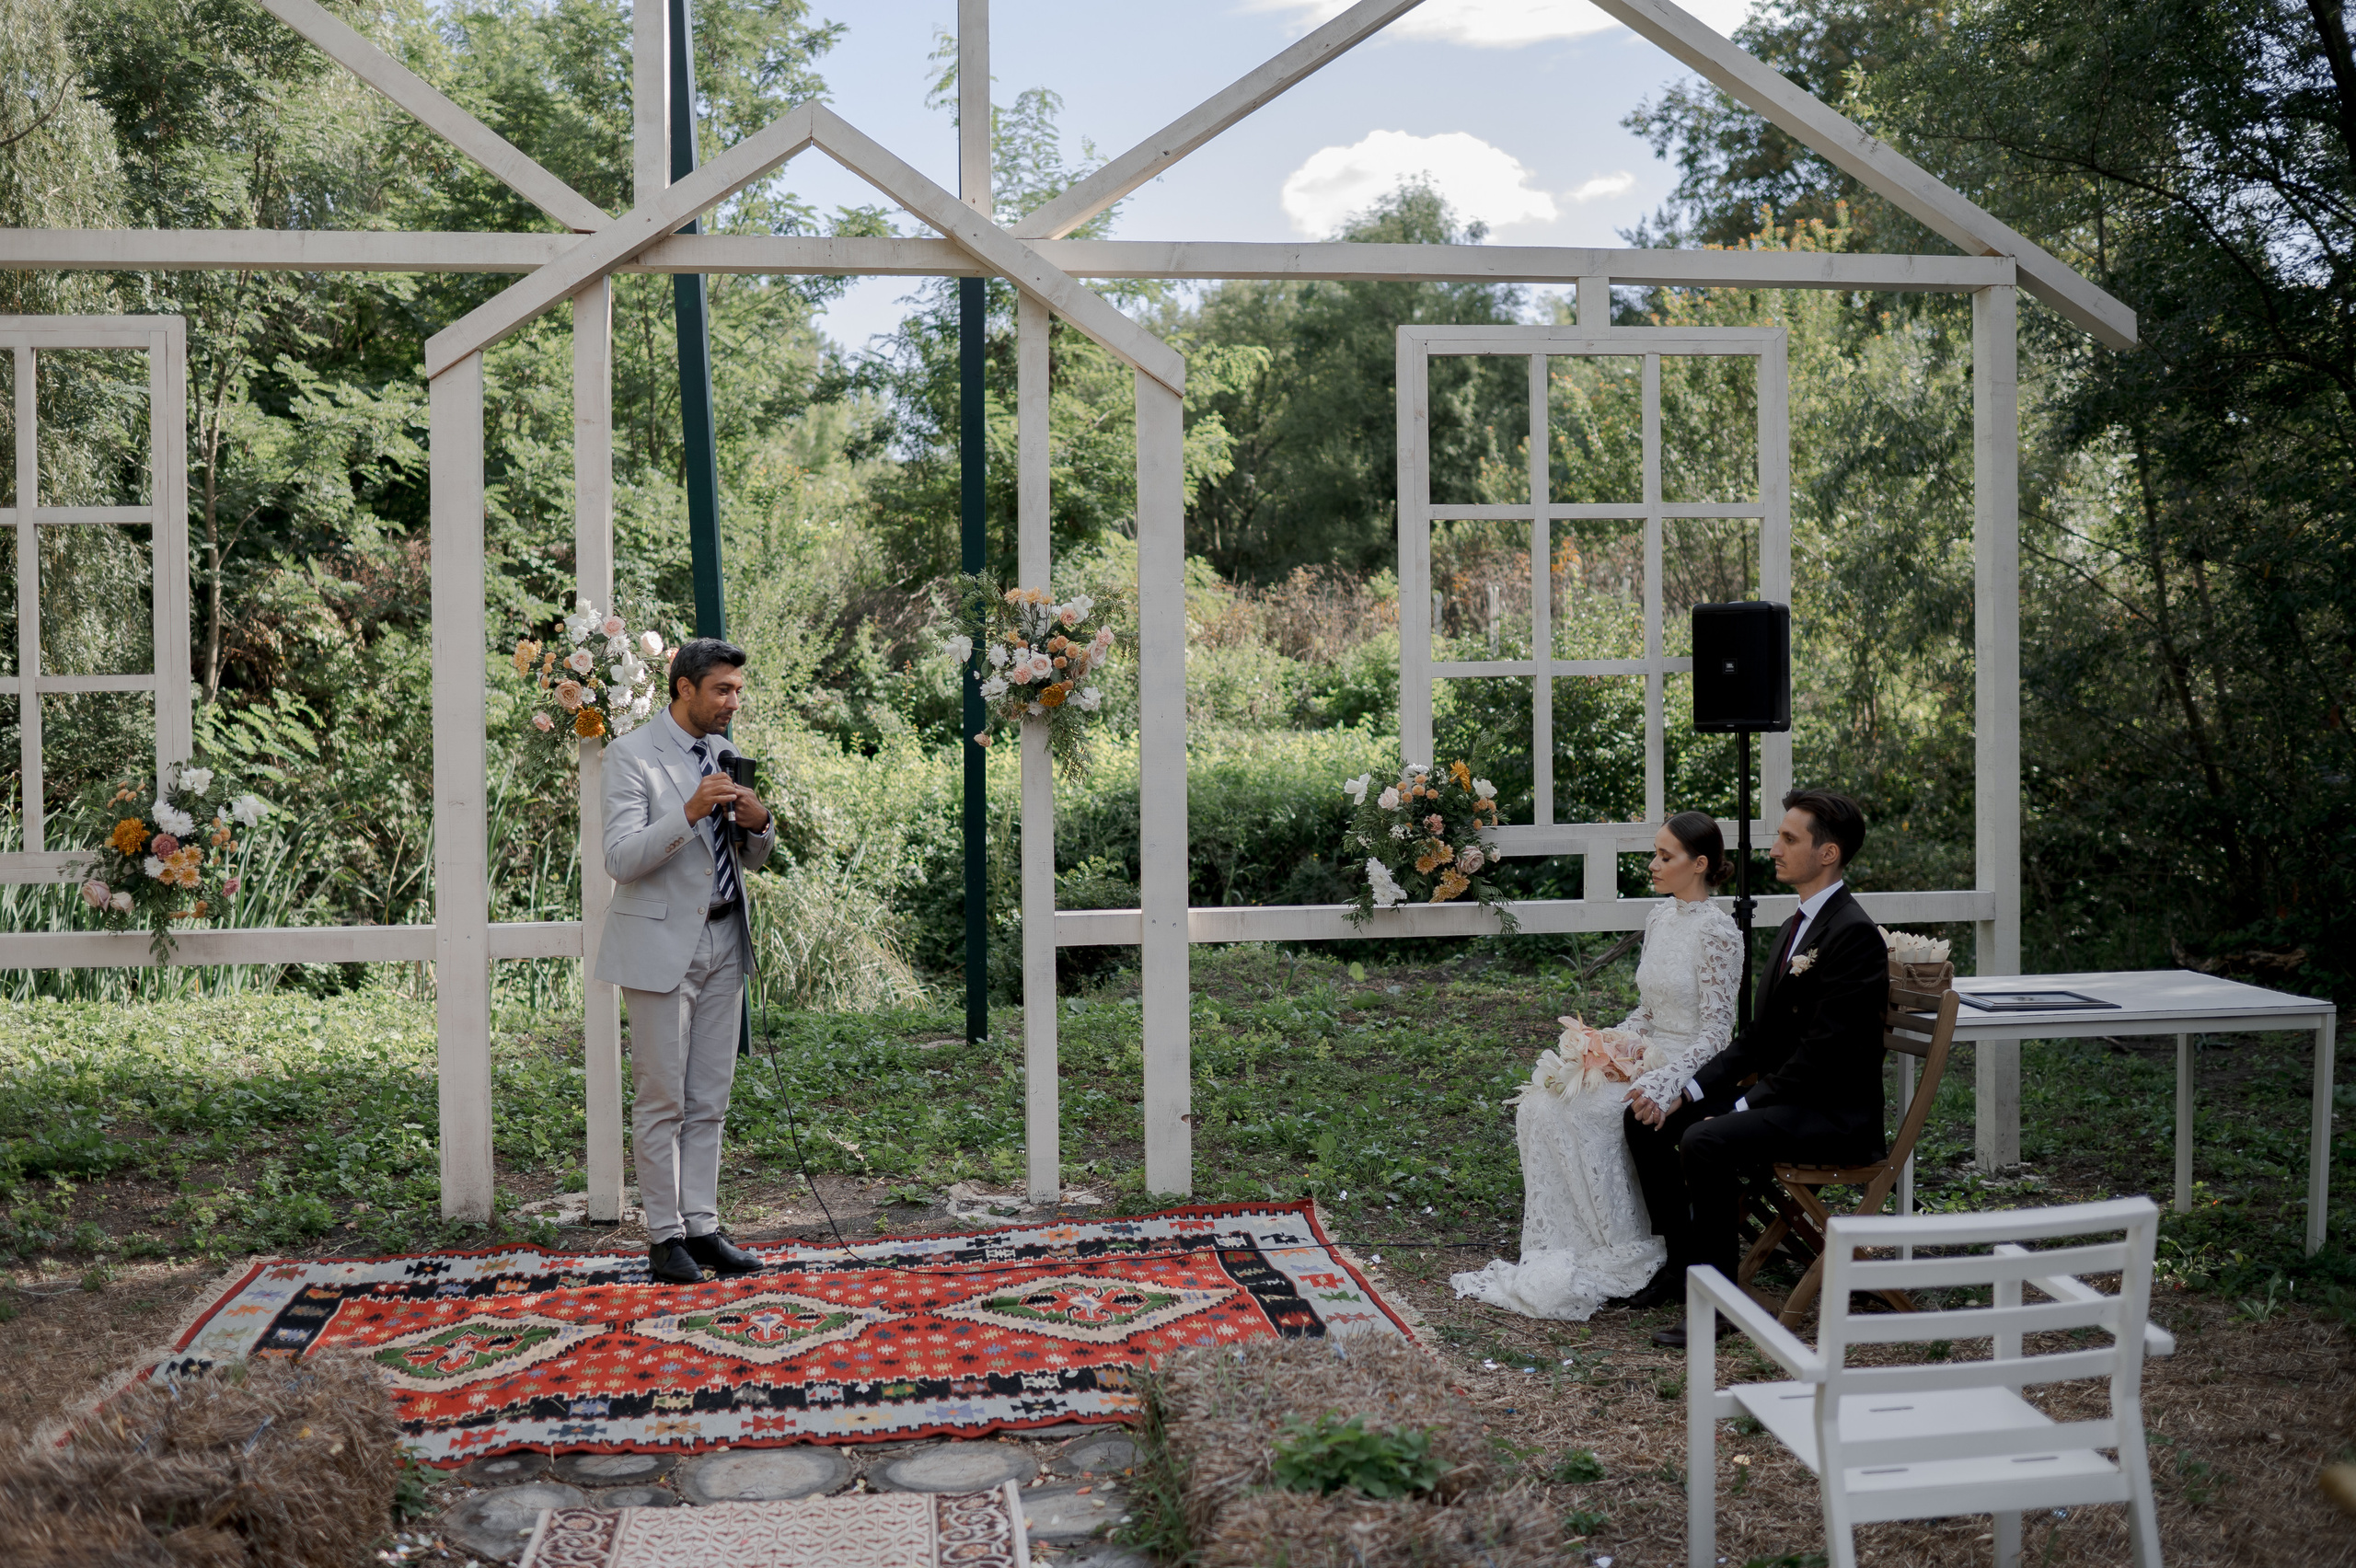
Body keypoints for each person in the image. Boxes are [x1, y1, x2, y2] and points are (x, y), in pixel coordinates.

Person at [1620, 789, 1888, 1347]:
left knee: (1707, 1141)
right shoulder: (1800, 924)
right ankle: (1679, 1266)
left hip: (1831, 1112)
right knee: (1650, 1119)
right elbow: (1757, 1040)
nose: (1774, 848)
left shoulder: (1852, 933)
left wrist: (1738, 1104)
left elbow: (1824, 1056)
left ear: (1829, 853)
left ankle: (1718, 1307)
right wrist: (1686, 1091)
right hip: (1789, 1097)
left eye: (1790, 838)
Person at [1449, 813, 1741, 1320]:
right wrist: (1607, 1044)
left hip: (1689, 1067)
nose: (1652, 864)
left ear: (1699, 865)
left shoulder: (1719, 932)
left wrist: (1665, 1078)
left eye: (1664, 856)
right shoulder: (1659, 918)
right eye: (1655, 852)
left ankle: (1645, 1249)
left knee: (1594, 1114)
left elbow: (1718, 1033)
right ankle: (1576, 1239)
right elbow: (1647, 1013)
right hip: (1648, 1052)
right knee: (1548, 1101)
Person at [596, 636, 778, 1285]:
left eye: (737, 690)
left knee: (710, 1098)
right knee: (662, 1099)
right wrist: (688, 810)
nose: (733, 701)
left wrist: (758, 825)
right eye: (722, 690)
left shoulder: (726, 754)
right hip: (660, 947)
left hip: (727, 940)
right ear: (684, 688)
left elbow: (746, 857)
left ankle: (702, 1227)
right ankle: (663, 1236)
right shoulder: (631, 757)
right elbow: (619, 860)